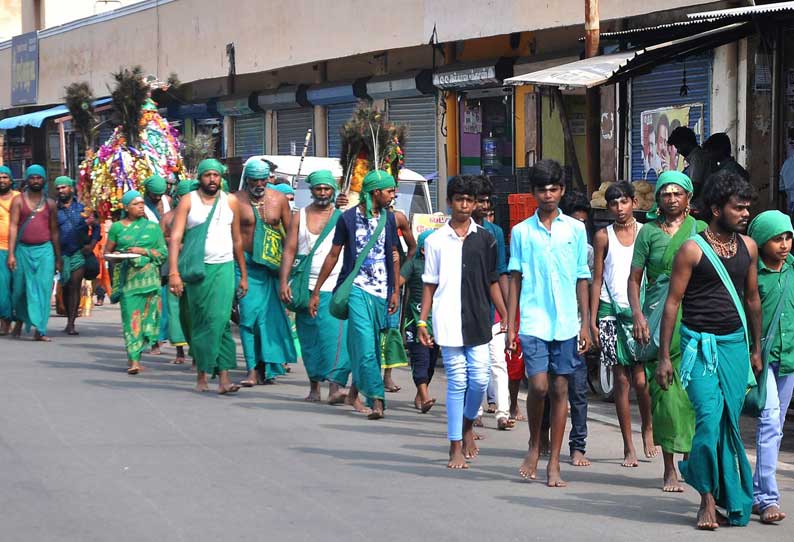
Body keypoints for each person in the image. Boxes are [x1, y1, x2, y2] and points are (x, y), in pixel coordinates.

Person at [657, 170, 760, 529]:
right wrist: (663, 358)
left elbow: (752, 299)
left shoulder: (748, 247)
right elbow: (672, 303)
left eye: (748, 208)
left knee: (729, 424)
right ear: (717, 209)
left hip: (734, 347)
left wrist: (756, 349)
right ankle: (706, 499)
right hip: (698, 347)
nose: (745, 214)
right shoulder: (691, 249)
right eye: (738, 208)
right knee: (708, 421)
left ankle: (725, 495)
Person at [506, 159, 591, 488]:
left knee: (560, 388)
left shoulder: (575, 229)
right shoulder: (522, 232)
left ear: (562, 191)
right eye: (542, 189)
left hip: (568, 322)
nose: (548, 194)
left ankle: (554, 462)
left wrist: (586, 323)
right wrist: (511, 328)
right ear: (533, 193)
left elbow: (582, 278)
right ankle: (534, 443)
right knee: (538, 386)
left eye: (553, 188)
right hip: (533, 319)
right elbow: (515, 278)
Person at [418, 175, 507, 468]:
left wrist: (504, 313)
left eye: (470, 200)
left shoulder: (486, 238)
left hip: (480, 318)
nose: (465, 205)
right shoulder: (435, 241)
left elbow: (492, 280)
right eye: (460, 200)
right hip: (447, 319)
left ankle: (468, 425)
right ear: (450, 202)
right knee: (457, 381)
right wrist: (422, 320)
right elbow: (429, 284)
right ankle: (454, 443)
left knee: (480, 379)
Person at [628, 171, 705, 492]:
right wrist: (638, 315)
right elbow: (635, 280)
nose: (671, 199)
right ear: (657, 200)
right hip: (659, 321)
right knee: (665, 396)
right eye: (665, 194)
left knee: (693, 397)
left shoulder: (700, 231)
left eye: (677, 193)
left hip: (697, 318)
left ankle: (692, 463)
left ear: (688, 198)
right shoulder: (647, 233)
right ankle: (669, 466)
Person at [310, 170, 401, 420]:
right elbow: (333, 254)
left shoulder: (390, 219)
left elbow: (393, 254)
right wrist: (317, 290)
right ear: (375, 193)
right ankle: (377, 400)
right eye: (390, 191)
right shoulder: (347, 219)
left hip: (382, 292)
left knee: (368, 346)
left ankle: (354, 392)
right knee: (364, 344)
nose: (393, 195)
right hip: (357, 289)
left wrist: (395, 291)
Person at [168, 159, 248, 394]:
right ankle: (202, 373)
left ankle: (223, 378)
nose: (212, 179)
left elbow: (237, 240)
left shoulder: (230, 201)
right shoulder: (188, 201)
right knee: (202, 320)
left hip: (224, 268)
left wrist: (243, 274)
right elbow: (175, 237)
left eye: (216, 175)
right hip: (196, 269)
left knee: (221, 320)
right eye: (207, 175)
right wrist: (173, 272)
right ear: (200, 178)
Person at [590, 181, 655, 468]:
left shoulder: (646, 233)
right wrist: (591, 320)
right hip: (609, 310)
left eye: (623, 202)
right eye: (613, 203)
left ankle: (648, 429)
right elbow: (596, 279)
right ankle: (628, 445)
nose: (619, 208)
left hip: (639, 311)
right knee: (622, 380)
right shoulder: (603, 236)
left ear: (634, 203)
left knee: (641, 380)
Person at [280, 169, 354, 405]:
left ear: (333, 190)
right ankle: (314, 387)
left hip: (333, 286)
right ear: (311, 191)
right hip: (303, 285)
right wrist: (283, 282)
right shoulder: (298, 216)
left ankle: (335, 386)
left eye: (327, 188)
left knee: (335, 337)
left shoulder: (343, 217)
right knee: (309, 338)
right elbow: (289, 250)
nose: (322, 192)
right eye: (318, 188)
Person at [230, 160, 296, 386]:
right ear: (246, 179)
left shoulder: (278, 200)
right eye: (253, 179)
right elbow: (236, 239)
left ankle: (268, 366)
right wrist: (243, 276)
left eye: (262, 179)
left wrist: (287, 274)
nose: (258, 184)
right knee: (248, 318)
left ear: (269, 178)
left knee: (269, 319)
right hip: (245, 265)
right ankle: (251, 369)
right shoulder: (235, 200)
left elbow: (290, 237)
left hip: (273, 268)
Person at [747, 210, 794, 525]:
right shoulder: (752, 275)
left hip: (790, 361)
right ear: (761, 241)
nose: (784, 244)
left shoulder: (792, 270)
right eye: (777, 238)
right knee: (769, 423)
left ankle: (754, 492)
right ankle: (767, 499)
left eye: (788, 237)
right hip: (763, 361)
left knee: (774, 429)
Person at [105, 191, 168, 374]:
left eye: (141, 203)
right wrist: (117, 256)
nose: (140, 207)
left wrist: (142, 251)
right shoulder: (117, 228)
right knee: (131, 321)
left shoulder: (153, 228)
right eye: (135, 204)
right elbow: (107, 253)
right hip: (128, 283)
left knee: (147, 321)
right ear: (126, 207)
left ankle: (139, 354)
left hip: (150, 282)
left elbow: (162, 254)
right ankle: (133, 360)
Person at [473, 176, 512, 430]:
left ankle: (502, 412)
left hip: (493, 309)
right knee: (476, 365)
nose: (484, 206)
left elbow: (500, 274)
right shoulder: (455, 232)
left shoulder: (495, 232)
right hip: (469, 309)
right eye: (480, 200)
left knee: (498, 361)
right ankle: (474, 411)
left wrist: (507, 312)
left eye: (487, 201)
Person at [7, 165, 61, 341]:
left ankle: (40, 329)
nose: (35, 181)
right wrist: (11, 254)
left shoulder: (50, 204)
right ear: (26, 180)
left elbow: (54, 231)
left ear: (44, 180)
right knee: (20, 290)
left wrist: (58, 258)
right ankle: (20, 321)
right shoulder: (18, 201)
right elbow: (13, 226)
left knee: (44, 290)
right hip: (22, 250)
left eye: (39, 177)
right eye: (32, 178)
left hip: (45, 251)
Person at [400, 229, 439, 413]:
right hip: (415, 321)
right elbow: (397, 282)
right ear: (423, 250)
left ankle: (420, 395)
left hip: (437, 322)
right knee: (421, 359)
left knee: (431, 363)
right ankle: (425, 397)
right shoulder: (413, 265)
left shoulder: (443, 265)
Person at [55, 176, 99, 336]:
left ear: (71, 189)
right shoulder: (53, 210)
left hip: (78, 253)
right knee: (66, 287)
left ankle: (71, 323)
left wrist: (92, 244)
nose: (61, 191)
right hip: (61, 254)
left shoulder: (83, 209)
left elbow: (96, 227)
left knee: (75, 285)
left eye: (64, 187)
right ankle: (68, 318)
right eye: (58, 188)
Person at [158, 179, 196, 365]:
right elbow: (158, 241)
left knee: (195, 310)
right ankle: (180, 351)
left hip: (195, 269)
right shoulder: (167, 217)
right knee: (175, 310)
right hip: (173, 268)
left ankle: (197, 352)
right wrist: (174, 241)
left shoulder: (198, 216)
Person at [381, 203, 416, 393]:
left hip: (392, 280)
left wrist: (404, 271)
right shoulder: (361, 214)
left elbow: (412, 247)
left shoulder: (398, 217)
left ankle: (387, 376)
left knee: (391, 328)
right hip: (369, 277)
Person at [142, 174, 172, 354]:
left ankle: (163, 335)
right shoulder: (141, 206)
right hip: (149, 257)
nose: (158, 198)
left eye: (160, 194)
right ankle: (150, 337)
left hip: (167, 256)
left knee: (166, 299)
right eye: (154, 194)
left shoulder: (168, 201)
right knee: (151, 299)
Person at [667, 126, 712, 210]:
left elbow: (695, 187)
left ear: (685, 143)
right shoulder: (694, 158)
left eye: (678, 146)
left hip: (699, 208)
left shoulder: (697, 158)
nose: (678, 151)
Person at [0, 165, 19, 335]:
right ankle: (5, 320)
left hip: (19, 249)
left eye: (5, 176)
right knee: (2, 288)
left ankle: (17, 320)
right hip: (0, 249)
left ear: (11, 180)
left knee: (17, 287)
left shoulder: (19, 198)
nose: (2, 180)